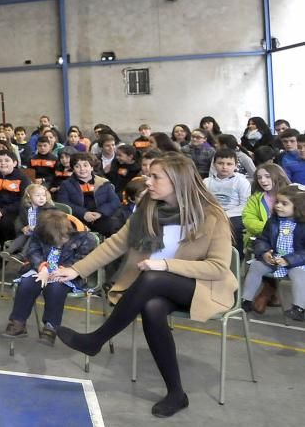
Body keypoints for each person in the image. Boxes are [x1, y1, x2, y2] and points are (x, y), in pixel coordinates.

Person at [52, 153, 238, 418]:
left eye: (155, 177)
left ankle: (97, 339)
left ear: (177, 181)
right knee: (151, 307)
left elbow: (218, 267)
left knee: (150, 278)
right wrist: (75, 270)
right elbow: (116, 243)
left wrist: (165, 266)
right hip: (157, 287)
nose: (147, 181)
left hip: (200, 287)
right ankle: (176, 393)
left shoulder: (211, 215)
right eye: (149, 175)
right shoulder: (149, 207)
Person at [1, 208, 97, 345]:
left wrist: (66, 270)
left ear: (68, 231)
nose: (58, 243)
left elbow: (84, 259)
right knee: (27, 284)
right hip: (41, 269)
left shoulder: (86, 238)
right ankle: (18, 323)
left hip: (68, 274)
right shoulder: (41, 232)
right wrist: (42, 267)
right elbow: (33, 251)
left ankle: (51, 327)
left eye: (61, 239)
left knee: (55, 288)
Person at [241, 185, 305, 321]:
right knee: (256, 267)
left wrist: (289, 260)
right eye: (277, 202)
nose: (278, 206)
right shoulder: (272, 222)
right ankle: (246, 300)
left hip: (297, 262)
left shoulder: (303, 225)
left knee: (299, 275)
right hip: (274, 259)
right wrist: (265, 253)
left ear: (298, 207)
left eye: (284, 204)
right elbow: (261, 240)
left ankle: (299, 308)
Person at [0, 151, 33, 259]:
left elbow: (23, 200)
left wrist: (3, 211)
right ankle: (5, 246)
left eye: (7, 161)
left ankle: (5, 251)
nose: (3, 163)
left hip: (13, 211)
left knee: (6, 223)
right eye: (0, 161)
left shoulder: (23, 178)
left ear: (15, 163)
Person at [55, 153, 121, 237]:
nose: (82, 169)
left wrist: (100, 213)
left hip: (99, 217)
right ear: (73, 169)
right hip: (78, 218)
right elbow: (64, 203)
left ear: (92, 167)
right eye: (77, 166)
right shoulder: (66, 184)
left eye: (85, 165)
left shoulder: (103, 182)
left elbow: (114, 201)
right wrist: (84, 213)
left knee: (113, 226)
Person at [203, 148, 251, 257]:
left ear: (236, 166)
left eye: (229, 164)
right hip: (212, 213)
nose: (225, 167)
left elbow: (244, 204)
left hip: (234, 214)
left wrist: (225, 214)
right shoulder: (207, 182)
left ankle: (235, 258)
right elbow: (203, 201)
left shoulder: (241, 181)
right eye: (220, 163)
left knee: (233, 229)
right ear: (214, 164)